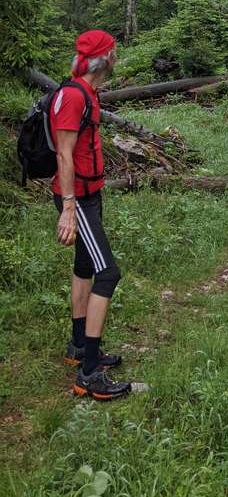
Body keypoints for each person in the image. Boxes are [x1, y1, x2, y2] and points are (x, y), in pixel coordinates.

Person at [51, 30, 131, 401]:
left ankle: (80, 346)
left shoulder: (88, 92)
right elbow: (63, 154)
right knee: (108, 273)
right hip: (77, 199)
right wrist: (69, 209)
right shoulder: (72, 96)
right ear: (104, 59)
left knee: (84, 266)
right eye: (114, 52)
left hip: (89, 194)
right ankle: (89, 374)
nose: (117, 57)